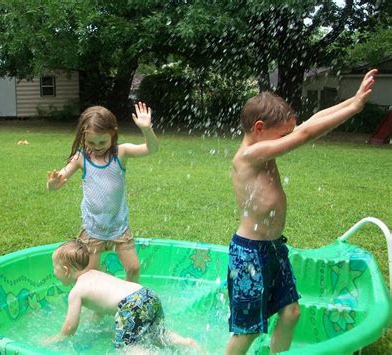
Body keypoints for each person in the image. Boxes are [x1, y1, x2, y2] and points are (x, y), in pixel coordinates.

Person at [227, 69, 377, 355]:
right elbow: (307, 133)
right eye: (283, 134)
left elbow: (310, 122)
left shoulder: (263, 146)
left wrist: (352, 100)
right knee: (247, 331)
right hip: (249, 253)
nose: (288, 137)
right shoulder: (249, 155)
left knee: (291, 313)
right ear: (259, 128)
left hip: (272, 248)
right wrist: (355, 108)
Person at [47, 102, 159, 282]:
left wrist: (146, 129)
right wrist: (53, 183)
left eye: (102, 142)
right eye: (91, 142)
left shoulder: (121, 153)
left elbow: (151, 149)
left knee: (134, 268)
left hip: (118, 226)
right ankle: (96, 310)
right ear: (83, 137)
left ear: (113, 134)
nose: (97, 146)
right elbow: (58, 181)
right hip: (93, 228)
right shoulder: (80, 158)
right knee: (91, 275)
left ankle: (129, 303)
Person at [43, 239, 201, 352]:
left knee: (127, 348)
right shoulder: (96, 274)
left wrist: (57, 338)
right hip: (147, 294)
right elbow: (100, 306)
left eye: (54, 268)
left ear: (65, 270)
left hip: (131, 305)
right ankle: (186, 343)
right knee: (159, 334)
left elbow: (70, 327)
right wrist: (94, 324)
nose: (54, 272)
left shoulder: (76, 292)